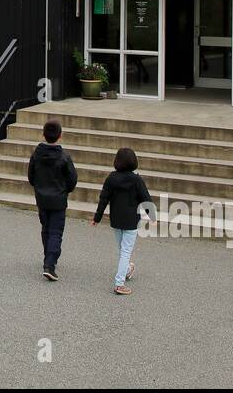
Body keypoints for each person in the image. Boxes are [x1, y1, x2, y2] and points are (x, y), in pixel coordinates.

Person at [90, 147, 151, 295]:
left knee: (123, 250)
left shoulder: (111, 178)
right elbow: (146, 199)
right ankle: (119, 283)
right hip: (131, 221)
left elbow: (103, 199)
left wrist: (97, 218)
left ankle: (128, 268)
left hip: (116, 220)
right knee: (125, 250)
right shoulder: (137, 180)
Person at [27, 118, 78, 281]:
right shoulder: (64, 157)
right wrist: (65, 191)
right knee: (56, 232)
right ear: (60, 135)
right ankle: (50, 264)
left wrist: (38, 188)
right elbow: (72, 179)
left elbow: (31, 176)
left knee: (46, 228)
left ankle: (48, 255)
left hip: (41, 198)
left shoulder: (36, 154)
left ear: (43, 134)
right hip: (58, 199)